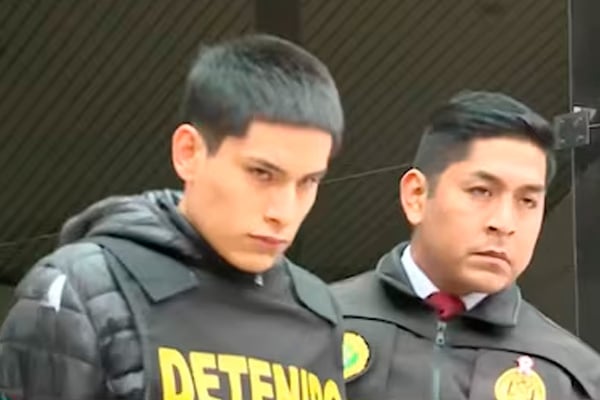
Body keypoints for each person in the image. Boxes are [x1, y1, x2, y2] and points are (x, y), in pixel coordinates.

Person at [0, 34, 347, 400]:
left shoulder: (320, 312)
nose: (284, 212)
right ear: (188, 152)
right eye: (261, 173)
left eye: (308, 181)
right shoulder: (80, 290)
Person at [333, 91, 600, 400]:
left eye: (527, 200)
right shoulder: (315, 328)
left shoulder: (571, 377)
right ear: (416, 195)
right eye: (481, 191)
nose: (504, 223)